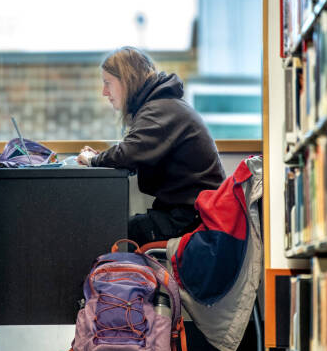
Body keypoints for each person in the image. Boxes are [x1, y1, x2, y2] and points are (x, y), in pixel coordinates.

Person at [77, 46, 225, 247]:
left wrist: (92, 160)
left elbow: (130, 152)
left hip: (191, 217)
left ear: (126, 81)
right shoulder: (161, 107)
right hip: (191, 212)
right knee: (120, 226)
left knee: (112, 230)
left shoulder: (159, 109)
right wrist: (104, 156)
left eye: (107, 83)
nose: (104, 92)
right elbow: (134, 150)